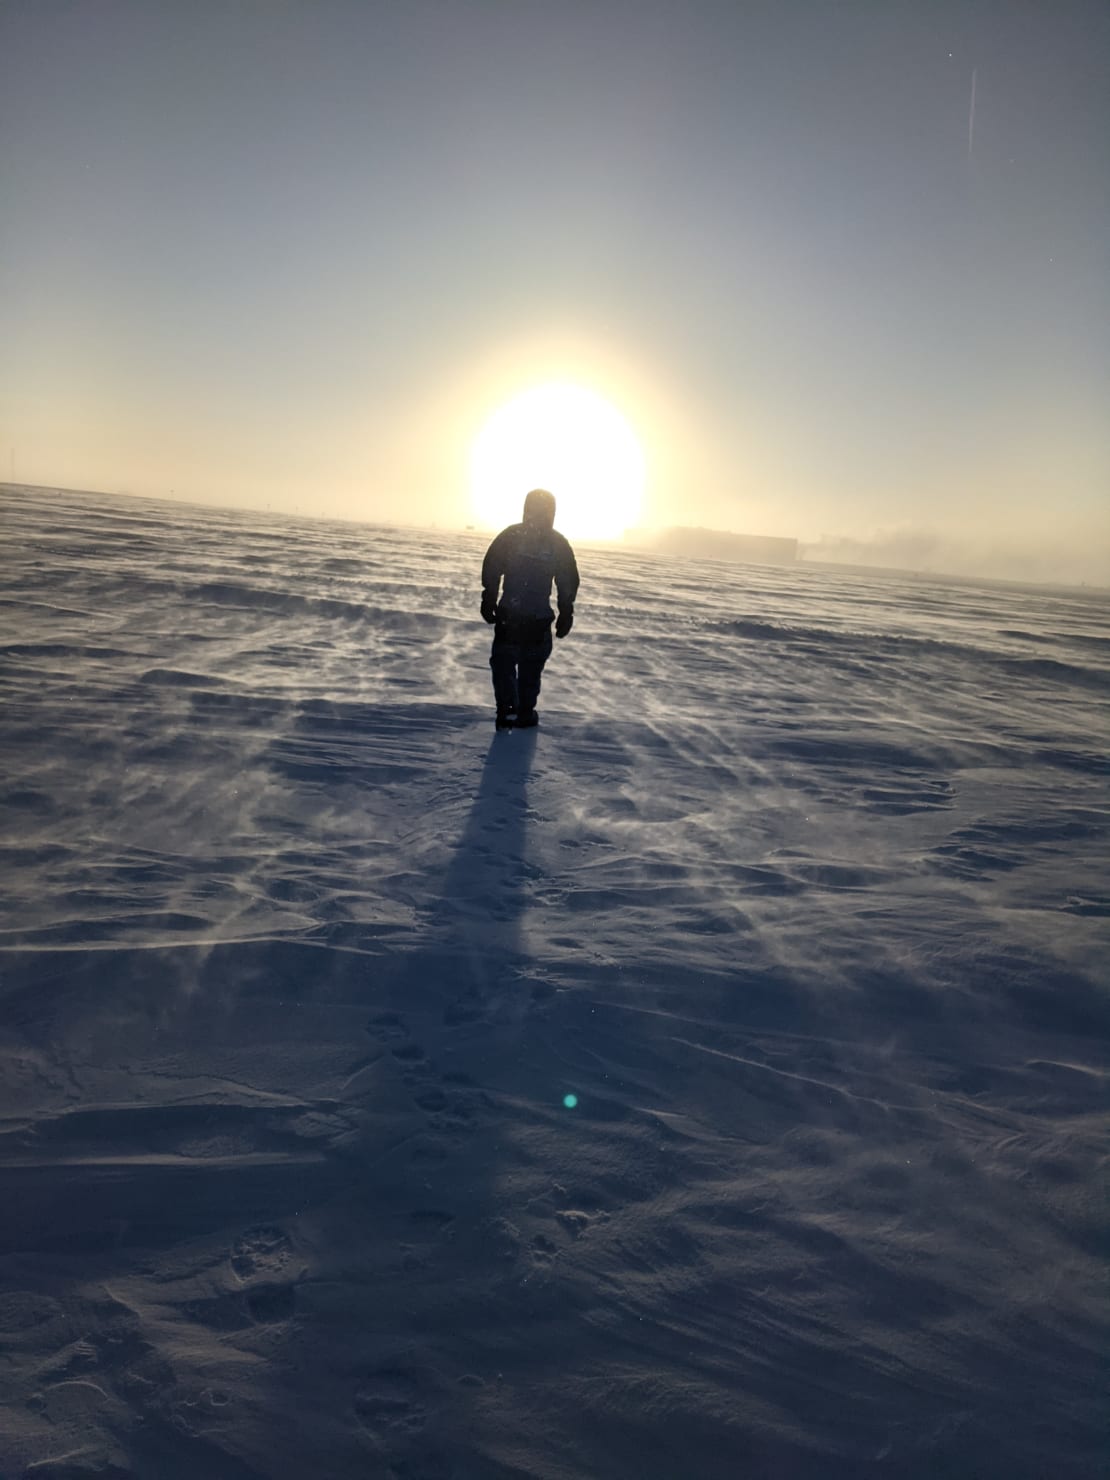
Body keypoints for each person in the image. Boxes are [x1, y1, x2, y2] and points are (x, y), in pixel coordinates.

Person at [480, 488, 579, 730]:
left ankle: (510, 711)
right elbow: (567, 581)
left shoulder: (512, 536)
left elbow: (492, 568)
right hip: (532, 620)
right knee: (527, 669)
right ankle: (521, 712)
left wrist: (489, 598)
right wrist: (566, 612)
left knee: (508, 665)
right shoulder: (556, 544)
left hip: (515, 618)